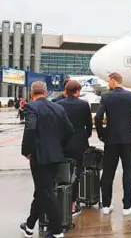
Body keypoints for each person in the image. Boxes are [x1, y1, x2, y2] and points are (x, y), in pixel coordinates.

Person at [20, 81, 74, 238]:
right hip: (56, 156)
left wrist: (27, 152)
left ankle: (57, 230)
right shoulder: (58, 107)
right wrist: (58, 146)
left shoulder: (31, 107)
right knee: (42, 191)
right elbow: (70, 130)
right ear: (45, 92)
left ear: (32, 93)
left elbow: (30, 130)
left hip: (39, 157)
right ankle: (29, 225)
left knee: (46, 193)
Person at [95, 72, 131, 216]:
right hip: (128, 140)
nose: (107, 84)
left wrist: (102, 134)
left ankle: (106, 205)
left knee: (108, 172)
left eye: (108, 81)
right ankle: (127, 206)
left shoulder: (106, 97)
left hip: (111, 140)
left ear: (113, 81)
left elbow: (98, 117)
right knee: (127, 172)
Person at [56, 80, 93, 216]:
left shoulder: (58, 104)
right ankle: (72, 205)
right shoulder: (83, 105)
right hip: (79, 143)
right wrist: (84, 136)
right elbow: (89, 126)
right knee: (76, 174)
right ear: (78, 91)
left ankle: (61, 201)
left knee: (62, 173)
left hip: (63, 144)